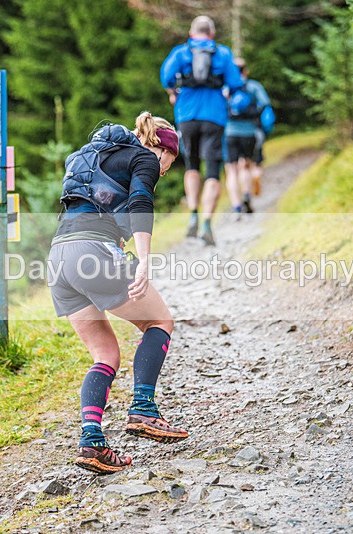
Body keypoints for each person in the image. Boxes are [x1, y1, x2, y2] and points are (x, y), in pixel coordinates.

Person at [48, 112, 187, 475]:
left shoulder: (92, 155)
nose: (164, 172)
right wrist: (144, 260)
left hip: (59, 258)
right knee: (159, 321)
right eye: (169, 164)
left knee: (105, 354)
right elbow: (141, 201)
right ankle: (143, 409)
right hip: (93, 251)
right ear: (163, 150)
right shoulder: (144, 157)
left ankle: (92, 442)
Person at [160, 15, 243, 246]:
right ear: (212, 33)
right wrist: (226, 93)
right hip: (214, 116)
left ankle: (193, 214)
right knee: (213, 172)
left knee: (192, 166)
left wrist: (173, 93)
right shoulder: (223, 53)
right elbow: (236, 84)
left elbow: (166, 77)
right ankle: (207, 223)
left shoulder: (180, 52)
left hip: (187, 115)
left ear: (191, 32)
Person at [224, 57, 275, 214]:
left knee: (231, 170)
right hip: (249, 132)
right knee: (245, 164)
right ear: (245, 70)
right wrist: (255, 115)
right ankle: (246, 193)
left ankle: (236, 205)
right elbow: (265, 103)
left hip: (230, 132)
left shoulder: (225, 88)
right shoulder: (253, 86)